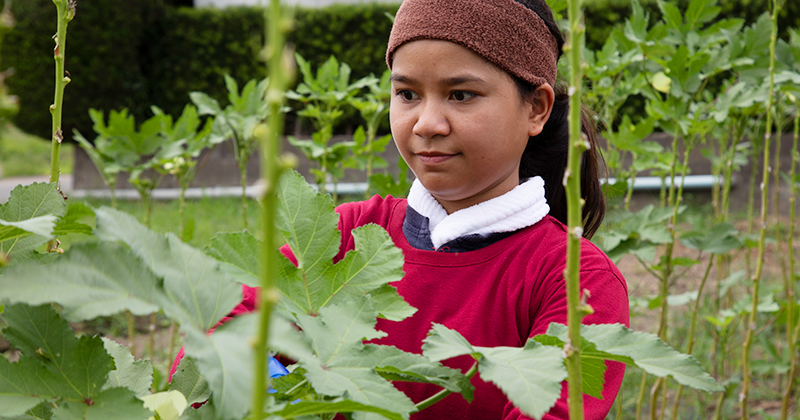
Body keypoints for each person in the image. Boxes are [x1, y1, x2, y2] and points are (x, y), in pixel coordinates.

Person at [172, 0, 629, 418]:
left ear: (537, 109)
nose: (427, 124)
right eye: (407, 94)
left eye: (461, 95)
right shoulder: (350, 234)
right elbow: (210, 336)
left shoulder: (575, 279)